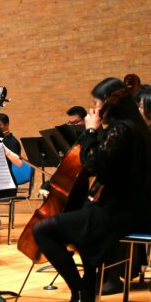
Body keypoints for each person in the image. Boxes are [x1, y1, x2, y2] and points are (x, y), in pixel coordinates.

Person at [32, 77, 151, 302]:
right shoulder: (137, 128)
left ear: (109, 103)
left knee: (43, 230)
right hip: (134, 207)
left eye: (96, 103)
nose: (94, 109)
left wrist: (90, 132)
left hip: (122, 211)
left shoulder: (121, 130)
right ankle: (88, 288)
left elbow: (93, 164)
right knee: (82, 221)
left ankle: (80, 291)